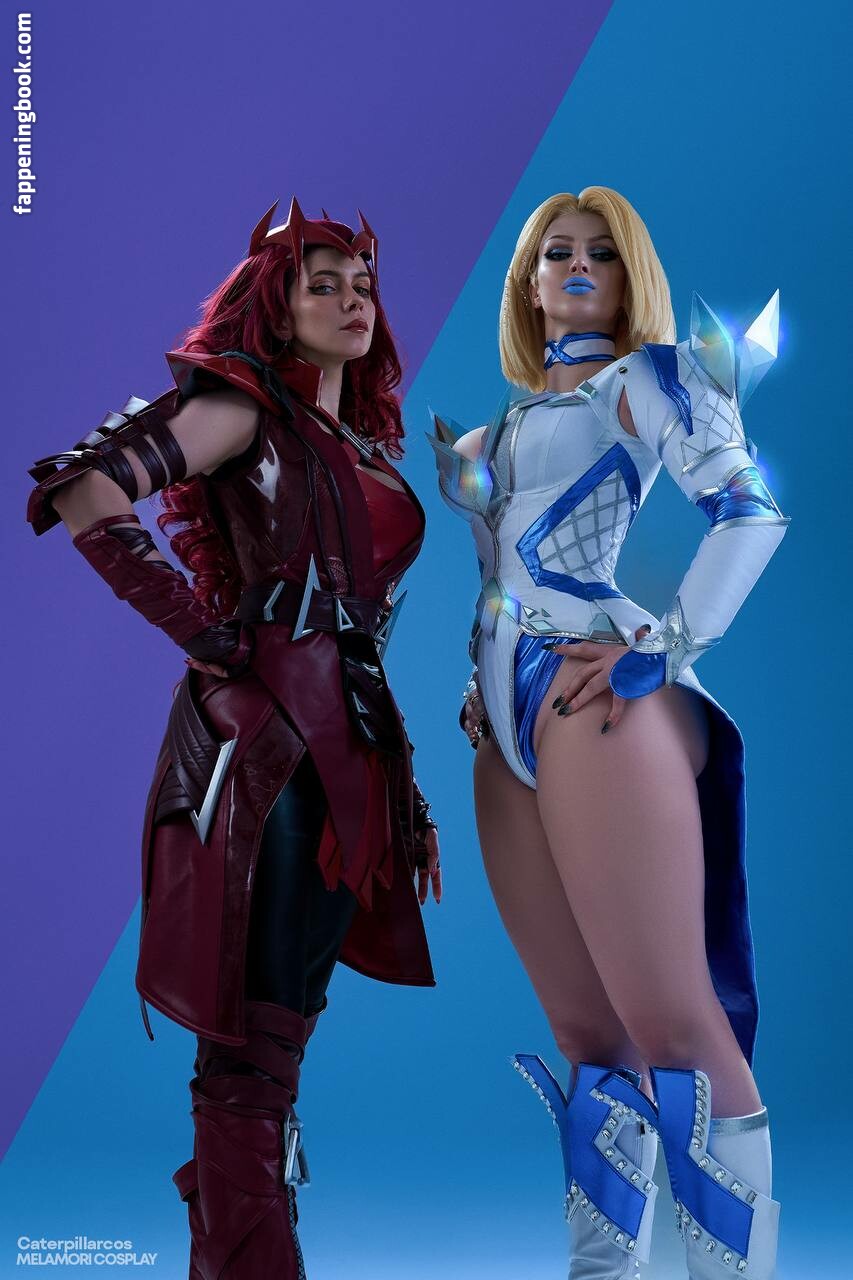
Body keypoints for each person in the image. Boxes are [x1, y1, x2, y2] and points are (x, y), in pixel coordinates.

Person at [27, 198, 441, 1280]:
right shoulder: (242, 405)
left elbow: (360, 622)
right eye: (322, 284)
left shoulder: (356, 441)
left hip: (351, 750)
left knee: (282, 1037)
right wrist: (204, 634)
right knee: (252, 1043)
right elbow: (85, 487)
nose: (351, 301)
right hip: (267, 751)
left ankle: (241, 1250)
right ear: (275, 304)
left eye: (362, 284)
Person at [429, 187, 786, 1280]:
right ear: (527, 282)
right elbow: (496, 577)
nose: (577, 266)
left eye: (601, 252)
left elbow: (750, 511)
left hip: (598, 693)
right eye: (556, 252)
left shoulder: (649, 380)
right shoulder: (489, 436)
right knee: (589, 1037)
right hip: (506, 724)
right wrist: (478, 682)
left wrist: (667, 647)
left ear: (632, 276)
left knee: (672, 1019)